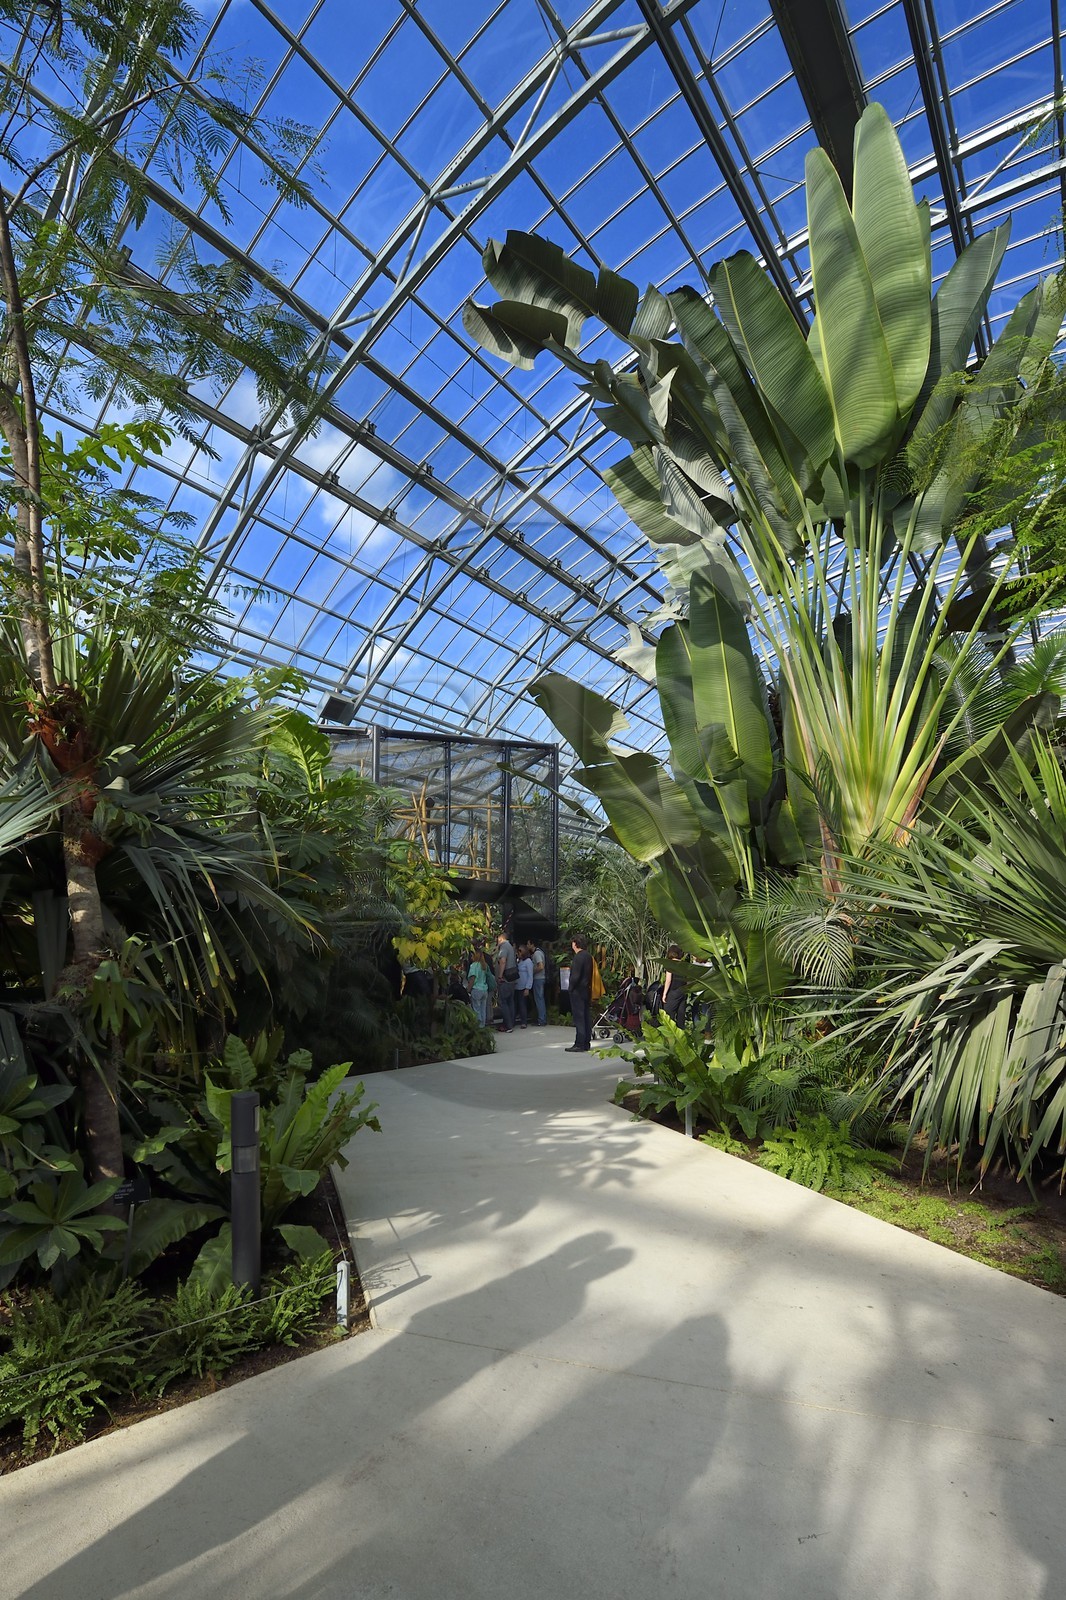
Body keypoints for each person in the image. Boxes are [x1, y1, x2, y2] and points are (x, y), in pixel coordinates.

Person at [566, 932, 593, 1053]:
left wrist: (570, 987)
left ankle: (579, 1043)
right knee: (586, 1016)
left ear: (575, 943)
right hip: (586, 989)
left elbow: (575, 976)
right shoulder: (588, 956)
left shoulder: (578, 957)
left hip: (577, 990)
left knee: (579, 1017)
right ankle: (586, 1042)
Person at [495, 928, 517, 1033]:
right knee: (510, 1001)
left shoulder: (504, 946)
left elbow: (503, 961)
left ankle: (508, 1026)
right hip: (512, 978)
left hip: (505, 978)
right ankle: (511, 1023)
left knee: (504, 1002)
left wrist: (500, 976)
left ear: (501, 938)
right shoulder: (511, 947)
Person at [661, 943, 688, 1025]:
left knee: (669, 1011)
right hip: (683, 990)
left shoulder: (670, 965)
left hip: (674, 990)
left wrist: (664, 994)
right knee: (681, 1013)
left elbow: (668, 980)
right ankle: (681, 1032)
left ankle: (671, 1032)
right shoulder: (685, 965)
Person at [467, 947, 491, 1026]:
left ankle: (479, 1028)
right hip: (484, 989)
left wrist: (468, 990)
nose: (471, 957)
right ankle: (483, 1027)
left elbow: (472, 979)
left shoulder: (473, 966)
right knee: (483, 1010)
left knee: (477, 1010)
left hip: (476, 989)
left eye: (471, 955)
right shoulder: (484, 965)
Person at [516, 943, 534, 1028]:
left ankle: (524, 1022)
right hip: (517, 985)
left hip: (524, 986)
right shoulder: (519, 961)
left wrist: (528, 987)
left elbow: (530, 975)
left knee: (522, 1004)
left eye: (520, 952)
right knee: (518, 1003)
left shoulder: (528, 962)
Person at [531, 941, 547, 1026]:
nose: (527, 946)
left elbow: (540, 966)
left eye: (528, 944)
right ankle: (542, 1018)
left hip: (538, 978)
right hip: (540, 978)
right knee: (540, 999)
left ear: (532, 944)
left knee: (539, 999)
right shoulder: (540, 952)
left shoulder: (537, 953)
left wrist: (532, 972)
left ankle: (541, 1020)